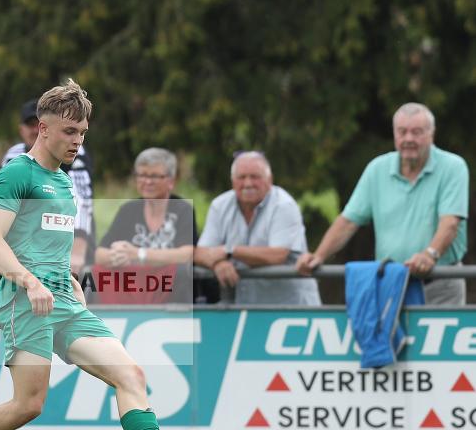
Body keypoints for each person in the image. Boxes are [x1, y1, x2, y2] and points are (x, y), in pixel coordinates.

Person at [0, 79, 212, 430]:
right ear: (42, 128)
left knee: (130, 375)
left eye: (82, 132)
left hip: (64, 300)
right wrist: (31, 282)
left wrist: (71, 284)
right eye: (69, 131)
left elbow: (49, 247)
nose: (77, 141)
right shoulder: (16, 173)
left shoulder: (64, 183)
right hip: (24, 301)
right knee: (29, 404)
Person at [297, 103, 469, 304]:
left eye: (417, 132)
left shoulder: (453, 167)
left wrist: (430, 255)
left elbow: (450, 223)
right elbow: (348, 221)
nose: (409, 139)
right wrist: (319, 255)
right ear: (395, 134)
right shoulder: (377, 169)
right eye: (402, 132)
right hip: (391, 282)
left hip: (439, 283)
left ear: (431, 134)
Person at [0, 98, 96, 276]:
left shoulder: (75, 151)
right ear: (23, 130)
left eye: (81, 133)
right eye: (30, 124)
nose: (35, 130)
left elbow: (82, 201)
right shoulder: (14, 160)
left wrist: (78, 251)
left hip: (70, 243)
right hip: (28, 257)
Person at [94, 147, 219, 304]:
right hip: (133, 292)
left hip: (172, 296)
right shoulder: (128, 210)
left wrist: (139, 254)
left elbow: (187, 253)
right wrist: (118, 255)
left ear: (171, 181)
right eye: (142, 175)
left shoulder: (183, 209)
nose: (147, 181)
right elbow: (99, 254)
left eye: (154, 176)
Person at [194, 151, 321, 305]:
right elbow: (199, 253)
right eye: (241, 177)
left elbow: (277, 255)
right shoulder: (220, 205)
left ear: (270, 180)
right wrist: (217, 264)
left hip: (290, 307)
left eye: (255, 177)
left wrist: (230, 251)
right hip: (246, 308)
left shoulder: (284, 205)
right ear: (232, 181)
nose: (248, 183)